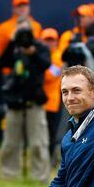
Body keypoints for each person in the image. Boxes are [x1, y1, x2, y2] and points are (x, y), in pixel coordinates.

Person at [0, 22, 52, 182]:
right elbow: (2, 63)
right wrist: (12, 42)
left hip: (34, 101)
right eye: (20, 32)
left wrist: (32, 52)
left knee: (38, 143)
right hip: (14, 101)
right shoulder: (14, 48)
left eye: (26, 32)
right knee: (10, 143)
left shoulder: (40, 47)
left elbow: (46, 64)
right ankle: (9, 176)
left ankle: (40, 178)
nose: (24, 37)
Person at [0, 0, 42, 65]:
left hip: (32, 70)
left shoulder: (37, 26)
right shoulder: (2, 28)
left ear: (29, 7)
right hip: (10, 69)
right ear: (13, 8)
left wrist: (32, 51)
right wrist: (12, 41)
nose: (22, 8)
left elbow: (42, 51)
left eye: (25, 5)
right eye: (19, 6)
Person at [40, 28, 64, 163]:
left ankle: (50, 159)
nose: (49, 43)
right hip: (38, 99)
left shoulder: (58, 57)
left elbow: (49, 76)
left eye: (52, 40)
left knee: (51, 132)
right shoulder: (42, 55)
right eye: (46, 40)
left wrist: (38, 68)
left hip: (52, 102)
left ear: (56, 42)